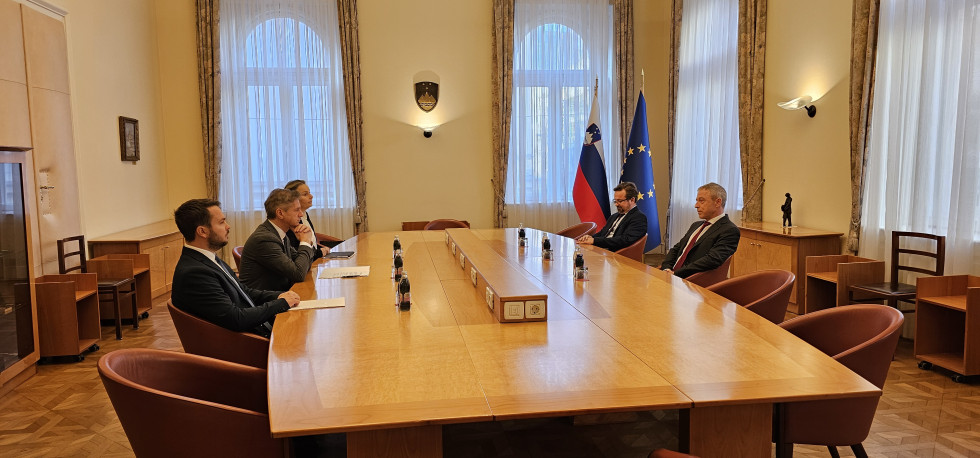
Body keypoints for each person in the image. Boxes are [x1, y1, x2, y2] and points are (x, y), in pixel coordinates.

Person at [171, 198, 299, 337]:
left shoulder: (207, 258)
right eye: (221, 222)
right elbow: (236, 319)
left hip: (255, 331)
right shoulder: (194, 273)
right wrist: (281, 304)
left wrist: (280, 296)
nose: (228, 226)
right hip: (244, 345)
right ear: (202, 231)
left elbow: (243, 291)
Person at [239, 188, 318, 291]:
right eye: (296, 210)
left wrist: (305, 242)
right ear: (280, 213)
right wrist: (305, 242)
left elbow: (303, 264)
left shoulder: (279, 234)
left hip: (281, 295)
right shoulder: (265, 239)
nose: (301, 214)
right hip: (265, 302)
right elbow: (298, 273)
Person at [660, 182, 740, 278]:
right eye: (696, 201)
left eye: (701, 201)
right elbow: (677, 249)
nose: (696, 205)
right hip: (671, 275)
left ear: (718, 202)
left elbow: (711, 260)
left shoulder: (729, 230)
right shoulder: (696, 225)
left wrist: (676, 274)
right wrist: (666, 268)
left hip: (690, 282)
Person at [576, 181, 648, 252]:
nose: (616, 204)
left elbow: (625, 240)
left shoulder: (639, 218)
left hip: (617, 255)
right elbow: (602, 233)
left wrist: (595, 241)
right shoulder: (614, 216)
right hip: (602, 250)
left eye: (620, 201)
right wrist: (590, 238)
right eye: (615, 201)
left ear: (632, 200)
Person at [284, 179, 336, 261]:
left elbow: (312, 244)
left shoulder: (305, 214)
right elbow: (295, 251)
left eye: (309, 192)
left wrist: (322, 249)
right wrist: (319, 252)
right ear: (293, 199)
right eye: (305, 194)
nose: (311, 196)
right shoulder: (290, 220)